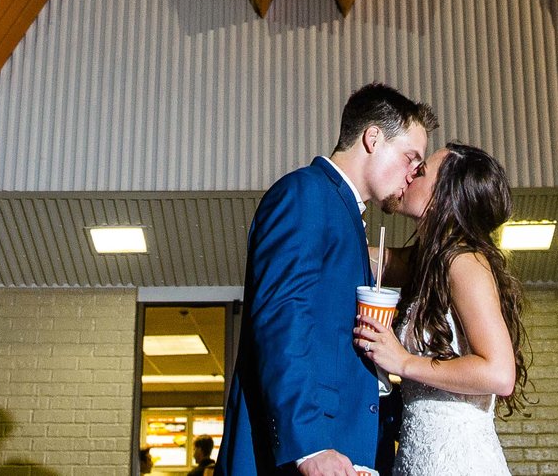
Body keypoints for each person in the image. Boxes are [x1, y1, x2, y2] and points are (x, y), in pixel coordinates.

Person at [225, 83, 437, 476]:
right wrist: (310, 446)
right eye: (411, 157)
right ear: (373, 138)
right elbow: (281, 318)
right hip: (308, 453)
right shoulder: (305, 193)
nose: (414, 173)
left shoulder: (345, 215)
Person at [353, 144, 529, 476]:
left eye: (420, 172)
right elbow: (365, 257)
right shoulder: (427, 262)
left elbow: (499, 375)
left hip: (460, 462)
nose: (410, 175)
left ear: (444, 199)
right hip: (417, 459)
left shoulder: (464, 262)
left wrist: (404, 361)